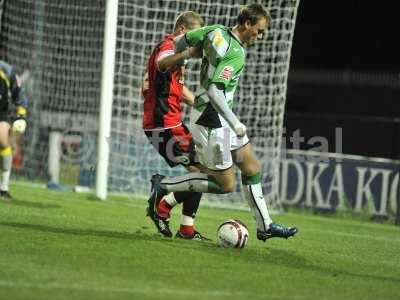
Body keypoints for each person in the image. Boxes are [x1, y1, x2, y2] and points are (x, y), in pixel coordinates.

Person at [148, 4, 298, 242]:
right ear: (247, 24)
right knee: (224, 185)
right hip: (212, 119)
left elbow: (181, 41)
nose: (259, 37)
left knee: (251, 167)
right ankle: (165, 186)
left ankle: (265, 225)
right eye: (259, 31)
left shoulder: (214, 30)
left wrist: (186, 56)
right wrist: (235, 121)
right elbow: (216, 92)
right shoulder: (235, 53)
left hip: (214, 113)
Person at [142, 11, 208, 240]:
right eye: (194, 36)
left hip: (167, 123)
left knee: (202, 171)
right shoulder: (169, 46)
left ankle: (186, 228)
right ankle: (162, 200)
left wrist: (200, 104)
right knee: (202, 174)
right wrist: (188, 52)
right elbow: (162, 62)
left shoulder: (174, 50)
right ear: (182, 30)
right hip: (165, 125)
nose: (197, 42)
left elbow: (175, 89)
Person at [0, 60, 28, 200]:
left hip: (1, 111)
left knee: (2, 140)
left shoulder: (6, 70)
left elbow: (18, 92)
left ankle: (3, 187)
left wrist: (21, 114)